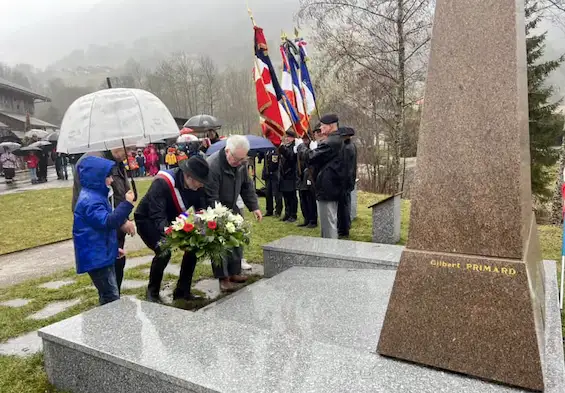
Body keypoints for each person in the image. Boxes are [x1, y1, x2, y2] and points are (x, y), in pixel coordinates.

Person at [135, 156, 210, 303]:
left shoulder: (197, 185)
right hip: (148, 219)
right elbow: (157, 214)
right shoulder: (163, 182)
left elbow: (202, 205)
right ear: (188, 176)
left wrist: (202, 227)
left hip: (174, 218)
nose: (201, 185)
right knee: (164, 250)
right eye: (199, 182)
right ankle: (152, 293)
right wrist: (171, 234)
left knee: (194, 246)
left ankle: (182, 292)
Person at [72, 148, 137, 293]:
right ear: (98, 178)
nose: (112, 179)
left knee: (111, 291)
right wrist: (126, 204)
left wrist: (113, 250)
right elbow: (108, 222)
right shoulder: (91, 202)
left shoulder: (97, 197)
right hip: (98, 259)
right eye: (109, 176)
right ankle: (111, 312)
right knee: (110, 295)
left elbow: (105, 230)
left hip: (103, 253)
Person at [205, 135, 263, 292]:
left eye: (241, 159)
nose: (238, 163)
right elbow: (211, 196)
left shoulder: (241, 163)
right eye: (236, 159)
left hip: (232, 205)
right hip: (214, 208)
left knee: (237, 238)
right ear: (227, 151)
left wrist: (254, 207)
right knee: (219, 243)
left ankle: (234, 272)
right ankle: (223, 278)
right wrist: (219, 217)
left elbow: (247, 186)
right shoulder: (213, 165)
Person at [309, 114, 344, 239]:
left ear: (330, 126)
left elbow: (311, 157)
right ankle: (327, 249)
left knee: (328, 223)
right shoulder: (335, 139)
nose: (321, 128)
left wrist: (303, 148)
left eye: (323, 126)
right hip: (330, 185)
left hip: (328, 186)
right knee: (327, 222)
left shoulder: (331, 141)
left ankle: (330, 251)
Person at [337, 127, 358, 238]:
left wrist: (341, 180)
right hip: (348, 180)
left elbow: (346, 167)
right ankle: (344, 227)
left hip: (345, 181)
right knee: (344, 205)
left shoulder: (347, 148)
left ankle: (343, 230)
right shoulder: (350, 146)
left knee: (343, 207)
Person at [296, 132, 318, 228]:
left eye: (306, 140)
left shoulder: (311, 150)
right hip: (301, 177)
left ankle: (312, 221)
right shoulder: (301, 150)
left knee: (310, 200)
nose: (304, 141)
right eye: (303, 140)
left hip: (310, 177)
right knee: (303, 199)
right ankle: (306, 219)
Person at [278, 129, 298, 223]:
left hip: (291, 174)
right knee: (285, 196)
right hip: (283, 175)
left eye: (289, 137)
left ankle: (293, 215)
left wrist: (282, 148)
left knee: (292, 196)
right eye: (286, 137)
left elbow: (290, 156)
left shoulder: (294, 147)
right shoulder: (286, 146)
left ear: (293, 138)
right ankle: (287, 213)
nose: (287, 139)